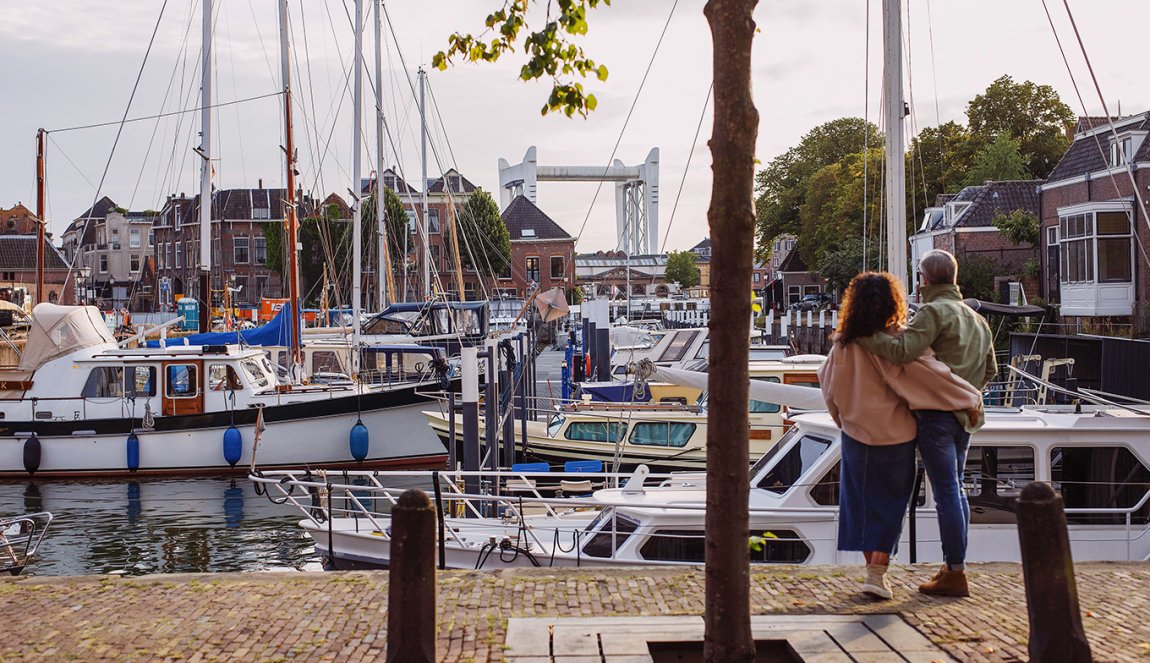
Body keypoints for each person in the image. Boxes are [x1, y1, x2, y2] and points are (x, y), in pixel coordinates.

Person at [819, 271, 982, 600]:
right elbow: (935, 378)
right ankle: (879, 573)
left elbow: (828, 386)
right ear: (893, 301)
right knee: (890, 505)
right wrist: (971, 397)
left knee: (861, 504)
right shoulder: (897, 341)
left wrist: (841, 418)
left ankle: (872, 574)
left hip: (855, 434)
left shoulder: (842, 344)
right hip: (896, 435)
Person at [858, 250, 997, 598]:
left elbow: (903, 351)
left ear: (925, 279)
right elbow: (991, 369)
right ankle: (953, 568)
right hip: (967, 415)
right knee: (958, 488)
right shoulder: (976, 319)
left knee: (947, 491)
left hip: (935, 415)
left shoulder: (934, 313)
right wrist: (966, 393)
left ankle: (955, 571)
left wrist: (864, 337)